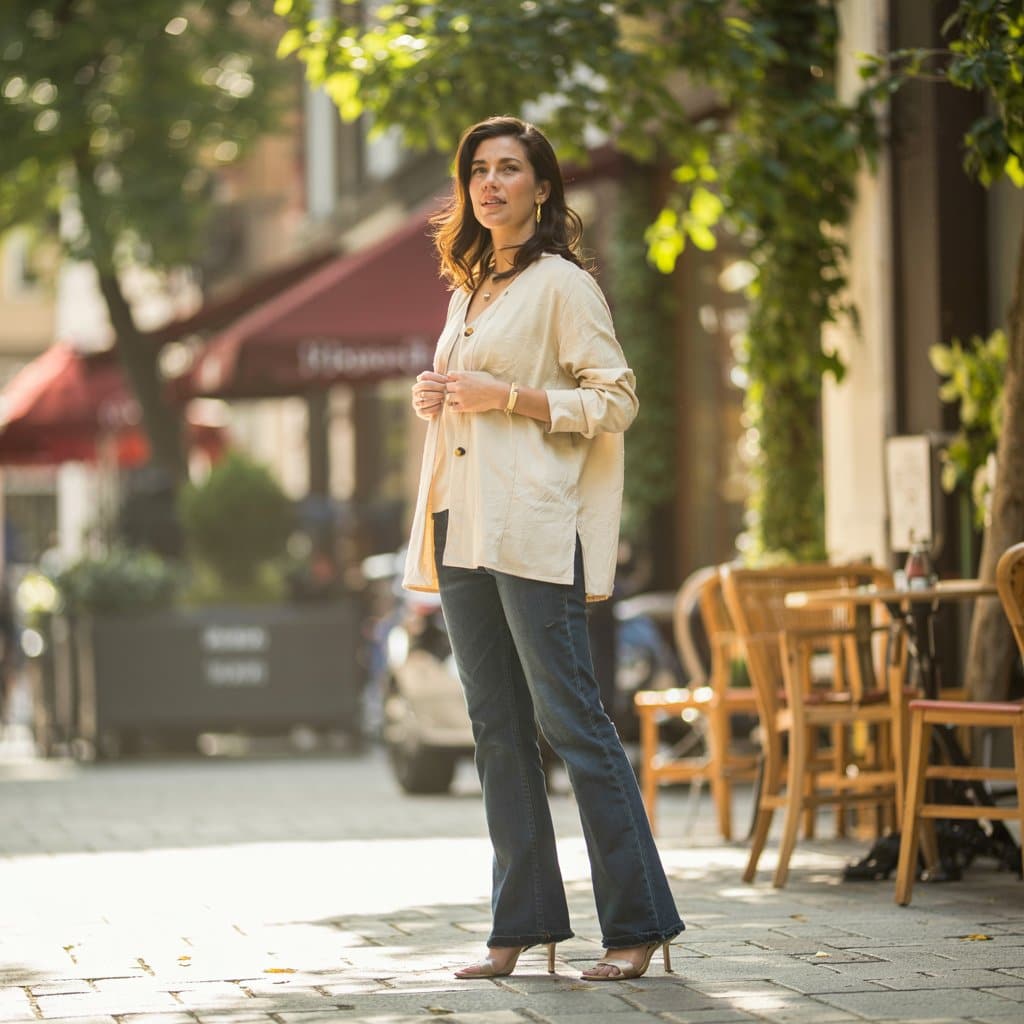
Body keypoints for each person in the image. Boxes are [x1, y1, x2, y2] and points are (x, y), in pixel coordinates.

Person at [403, 115, 684, 982]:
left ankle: (636, 922)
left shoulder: (563, 284)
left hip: (532, 527)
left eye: (509, 169)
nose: (490, 184)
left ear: (542, 187)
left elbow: (616, 399)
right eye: (478, 171)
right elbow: (471, 404)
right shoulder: (469, 290)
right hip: (460, 525)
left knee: (572, 722)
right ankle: (520, 921)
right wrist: (438, 395)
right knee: (495, 728)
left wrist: (511, 398)